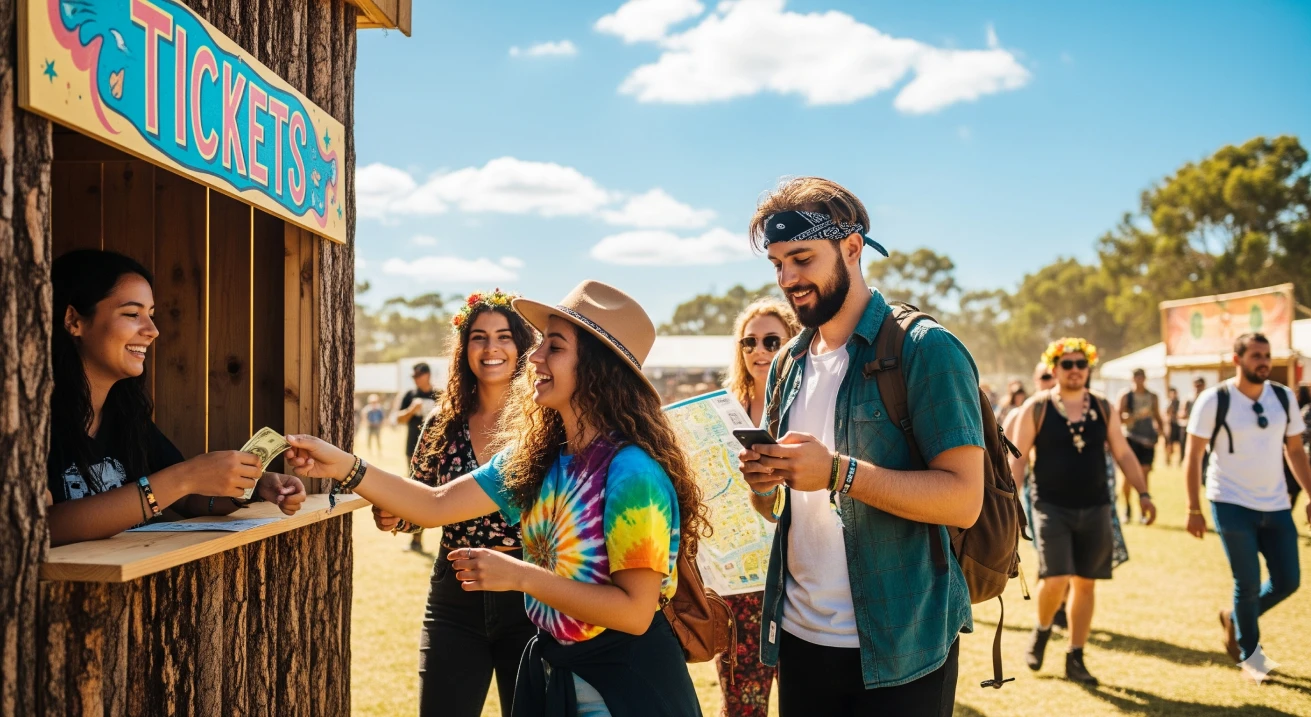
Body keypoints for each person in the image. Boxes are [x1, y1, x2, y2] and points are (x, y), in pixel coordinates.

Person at [286, 280, 707, 716]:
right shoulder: (541, 457)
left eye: (555, 347)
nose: (535, 357)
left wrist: (520, 576)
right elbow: (436, 504)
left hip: (626, 686)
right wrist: (342, 466)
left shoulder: (632, 474)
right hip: (558, 675)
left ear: (599, 368)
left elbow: (635, 613)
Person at [736, 177, 985, 716]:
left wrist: (838, 473)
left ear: (852, 247)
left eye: (802, 258)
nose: (788, 279)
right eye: (778, 264)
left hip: (903, 646)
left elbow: (964, 500)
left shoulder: (926, 349)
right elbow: (779, 508)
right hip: (799, 640)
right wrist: (764, 483)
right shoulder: (788, 363)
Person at [47, 250, 306, 547]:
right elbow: (40, 526)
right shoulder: (28, 422)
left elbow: (187, 499)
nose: (153, 331)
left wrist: (252, 486)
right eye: (132, 314)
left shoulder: (127, 415)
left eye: (152, 315)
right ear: (73, 320)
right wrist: (184, 476)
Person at [370, 290, 538, 717]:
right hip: (454, 595)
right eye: (479, 337)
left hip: (531, 594)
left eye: (504, 336)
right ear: (464, 349)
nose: (491, 348)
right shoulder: (441, 423)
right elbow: (421, 504)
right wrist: (395, 516)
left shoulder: (545, 423)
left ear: (522, 345)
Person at [1009, 338, 1156, 686]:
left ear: (1088, 368)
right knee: (1056, 578)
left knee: (1086, 584)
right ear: (1055, 368)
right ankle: (1043, 629)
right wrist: (1010, 504)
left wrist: (1144, 492)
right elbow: (1017, 460)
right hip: (1050, 507)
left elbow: (1123, 453)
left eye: (1080, 364)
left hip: (1096, 507)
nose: (1075, 370)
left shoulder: (1103, 407)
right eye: (1067, 364)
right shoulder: (1037, 407)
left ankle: (1075, 656)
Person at [1184, 333, 1311, 681]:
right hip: (1229, 501)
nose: (1264, 362)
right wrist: (1193, 508)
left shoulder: (1284, 398)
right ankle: (1251, 657)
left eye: (1267, 355)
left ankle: (1235, 619)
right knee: (1248, 581)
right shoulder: (1215, 399)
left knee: (1288, 581)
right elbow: (1193, 455)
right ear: (1237, 359)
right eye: (1256, 355)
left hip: (1276, 503)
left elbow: (1296, 451)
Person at [719, 297, 798, 716]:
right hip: (736, 576)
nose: (759, 352)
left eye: (771, 341)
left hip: (796, 571)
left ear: (792, 343)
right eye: (749, 342)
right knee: (741, 703)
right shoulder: (723, 407)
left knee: (805, 696)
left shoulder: (808, 402)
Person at [397, 362, 439, 551]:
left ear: (427, 375)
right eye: (414, 377)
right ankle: (416, 540)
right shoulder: (410, 395)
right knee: (416, 493)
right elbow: (398, 419)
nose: (417, 379)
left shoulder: (439, 395)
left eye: (419, 376)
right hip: (413, 450)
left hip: (436, 450)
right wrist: (411, 410)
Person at [1118, 368, 1164, 523]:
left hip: (1147, 440)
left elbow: (1157, 416)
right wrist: (1135, 416)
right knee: (1128, 476)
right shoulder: (1126, 396)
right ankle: (1127, 508)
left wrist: (1163, 434)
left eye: (1141, 377)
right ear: (1132, 379)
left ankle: (1143, 511)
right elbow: (1118, 419)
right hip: (1131, 438)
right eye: (1136, 377)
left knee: (1144, 476)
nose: (1139, 380)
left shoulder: (1152, 396)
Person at [1165, 387, 1183, 466]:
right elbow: (1166, 413)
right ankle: (1168, 460)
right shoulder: (1168, 403)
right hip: (1170, 425)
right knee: (1169, 444)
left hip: (1178, 425)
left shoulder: (1180, 402)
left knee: (1179, 444)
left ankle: (1179, 460)